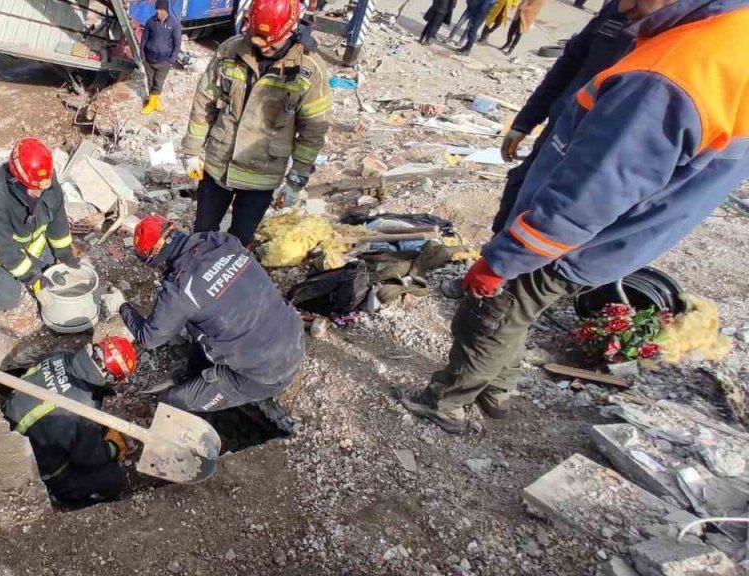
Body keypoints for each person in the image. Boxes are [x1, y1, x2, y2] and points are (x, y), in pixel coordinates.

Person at [400, 0, 749, 434]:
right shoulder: (730, 34)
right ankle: (498, 390)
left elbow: (588, 196)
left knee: (488, 314)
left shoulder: (667, 78)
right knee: (517, 313)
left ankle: (447, 403)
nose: (621, 5)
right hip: (620, 238)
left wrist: (502, 261)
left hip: (578, 241)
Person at [105, 215, 305, 412]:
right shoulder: (222, 241)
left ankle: (183, 404)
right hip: (293, 336)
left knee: (173, 400)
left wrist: (122, 306)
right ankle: (197, 372)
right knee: (201, 327)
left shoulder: (179, 290)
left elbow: (149, 338)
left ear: (156, 261)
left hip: (266, 374)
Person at [181, 0, 331, 247]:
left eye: (271, 41)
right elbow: (204, 102)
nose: (263, 46)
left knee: (240, 239)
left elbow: (313, 130)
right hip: (220, 165)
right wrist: (192, 151)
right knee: (203, 231)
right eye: (257, 37)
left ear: (290, 30)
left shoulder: (309, 70)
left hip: (262, 173)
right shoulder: (231, 51)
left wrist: (297, 178)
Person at [489, 1, 631, 233]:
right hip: (558, 131)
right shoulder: (616, 11)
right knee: (519, 192)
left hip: (600, 152)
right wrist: (525, 122)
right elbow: (568, 65)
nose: (627, 5)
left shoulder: (685, 39)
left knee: (553, 219)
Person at [0, 337, 138, 507]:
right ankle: (62, 498)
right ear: (110, 377)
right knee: (113, 479)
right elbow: (87, 457)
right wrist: (115, 447)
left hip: (9, 421)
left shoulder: (61, 357)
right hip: (36, 464)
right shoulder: (82, 408)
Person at [0, 137, 77, 310]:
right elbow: (4, 248)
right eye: (34, 189)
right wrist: (32, 278)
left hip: (28, 239)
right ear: (16, 180)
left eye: (43, 188)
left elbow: (57, 216)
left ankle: (33, 264)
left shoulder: (43, 178)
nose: (39, 193)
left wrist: (66, 254)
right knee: (7, 301)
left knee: (51, 272)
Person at [140, 0, 181, 116]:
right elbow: (144, 40)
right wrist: (142, 55)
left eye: (160, 9)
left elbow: (177, 43)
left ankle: (152, 105)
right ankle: (154, 101)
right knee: (150, 81)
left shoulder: (174, 24)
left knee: (158, 82)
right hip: (149, 59)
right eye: (156, 9)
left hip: (164, 61)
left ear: (166, 10)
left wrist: (171, 60)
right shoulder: (150, 22)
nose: (157, 11)